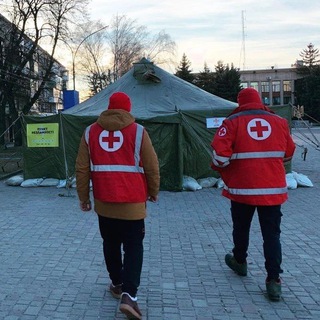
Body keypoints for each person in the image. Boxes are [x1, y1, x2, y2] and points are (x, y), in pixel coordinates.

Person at [75, 91, 160, 319]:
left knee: (110, 243)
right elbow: (152, 166)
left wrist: (84, 198)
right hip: (133, 203)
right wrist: (153, 191)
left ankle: (117, 283)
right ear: (128, 109)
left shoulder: (90, 131)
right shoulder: (139, 131)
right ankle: (129, 296)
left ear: (109, 107)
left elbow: (82, 169)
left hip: (104, 202)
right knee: (133, 247)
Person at [210, 87, 296, 301]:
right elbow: (289, 152)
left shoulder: (232, 122)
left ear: (240, 102)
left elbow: (220, 156)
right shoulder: (279, 122)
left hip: (242, 188)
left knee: (241, 227)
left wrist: (225, 169)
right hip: (272, 190)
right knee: (272, 235)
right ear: (260, 100)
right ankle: (274, 281)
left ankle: (240, 262)